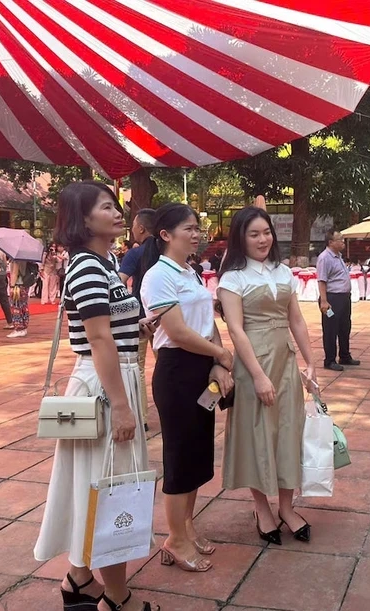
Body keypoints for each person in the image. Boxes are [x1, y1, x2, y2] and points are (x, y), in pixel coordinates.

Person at [33, 181, 159, 611]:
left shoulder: (101, 263)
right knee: (112, 487)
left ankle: (78, 579)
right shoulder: (87, 266)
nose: (118, 212)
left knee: (96, 480)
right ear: (83, 219)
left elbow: (111, 328)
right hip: (106, 388)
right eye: (107, 207)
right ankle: (117, 598)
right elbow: (98, 339)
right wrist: (122, 406)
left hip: (110, 380)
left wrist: (137, 326)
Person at [140, 203, 234, 573]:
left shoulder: (189, 272)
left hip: (201, 369)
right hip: (177, 371)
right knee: (179, 458)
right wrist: (222, 354)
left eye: (198, 228)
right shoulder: (157, 276)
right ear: (165, 235)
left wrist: (215, 360)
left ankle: (188, 527)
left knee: (198, 453)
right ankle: (174, 538)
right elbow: (177, 332)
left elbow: (204, 322)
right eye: (189, 228)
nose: (197, 234)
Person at [218, 206, 317, 546]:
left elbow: (298, 320)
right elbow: (235, 329)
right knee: (258, 433)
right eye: (253, 234)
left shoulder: (283, 272)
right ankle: (262, 507)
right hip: (253, 363)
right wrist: (258, 376)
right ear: (240, 238)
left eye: (266, 232)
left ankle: (287, 508)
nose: (263, 239)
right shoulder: (233, 278)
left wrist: (310, 362)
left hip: (285, 360)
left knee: (289, 430)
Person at [119, 208, 155, 432]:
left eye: (133, 224)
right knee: (167, 364)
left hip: (141, 318)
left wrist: (128, 307)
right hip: (166, 319)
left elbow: (120, 281)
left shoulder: (135, 254)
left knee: (139, 368)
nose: (132, 228)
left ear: (141, 228)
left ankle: (142, 417)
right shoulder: (167, 251)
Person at [317, 230, 360, 371]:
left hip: (344, 298)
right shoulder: (325, 258)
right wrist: (324, 301)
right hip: (331, 299)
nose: (343, 241)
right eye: (339, 239)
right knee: (330, 329)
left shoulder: (338, 256)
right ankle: (329, 360)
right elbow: (322, 280)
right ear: (331, 242)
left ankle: (345, 356)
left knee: (344, 327)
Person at [8, 258, 32, 338]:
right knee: (23, 305)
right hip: (25, 284)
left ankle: (19, 328)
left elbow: (14, 273)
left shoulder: (16, 259)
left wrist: (11, 286)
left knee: (16, 306)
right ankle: (24, 326)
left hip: (17, 285)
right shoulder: (27, 258)